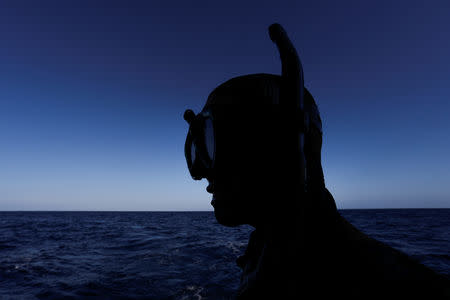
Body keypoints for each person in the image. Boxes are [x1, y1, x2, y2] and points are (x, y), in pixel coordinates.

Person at [183, 24, 449, 299]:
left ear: (283, 146)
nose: (203, 172)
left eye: (216, 146)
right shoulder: (267, 248)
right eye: (197, 148)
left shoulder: (389, 284)